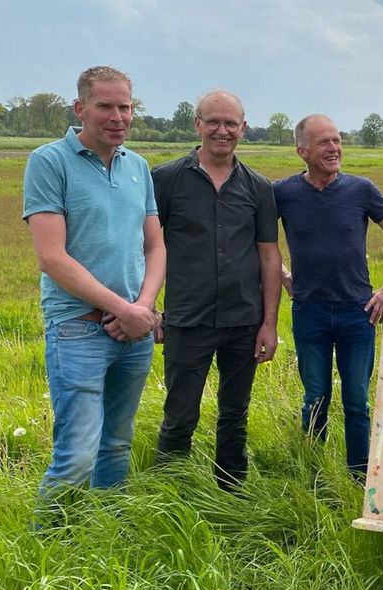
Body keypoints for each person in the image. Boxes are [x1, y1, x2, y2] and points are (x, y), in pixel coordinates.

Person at [22, 66, 164, 508]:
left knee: (116, 447)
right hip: (78, 331)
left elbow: (156, 246)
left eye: (125, 106)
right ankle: (49, 554)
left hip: (134, 332)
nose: (117, 116)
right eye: (105, 106)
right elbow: (52, 257)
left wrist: (143, 308)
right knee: (76, 457)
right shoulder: (49, 161)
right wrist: (125, 309)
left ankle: (103, 541)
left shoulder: (138, 166)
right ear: (80, 108)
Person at [150, 90, 282, 492]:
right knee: (180, 413)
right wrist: (150, 307)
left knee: (234, 415)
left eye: (230, 124)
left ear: (243, 128)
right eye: (213, 122)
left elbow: (269, 256)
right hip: (187, 318)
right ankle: (167, 498)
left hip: (243, 320)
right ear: (197, 125)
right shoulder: (166, 179)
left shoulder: (259, 187)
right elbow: (148, 248)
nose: (222, 131)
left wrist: (269, 324)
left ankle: (231, 494)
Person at [273, 114, 383, 477]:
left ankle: (359, 477)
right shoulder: (283, 193)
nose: (334, 148)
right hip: (308, 311)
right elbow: (259, 242)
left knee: (357, 401)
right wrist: (283, 275)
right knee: (315, 397)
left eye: (337, 140)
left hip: (357, 312)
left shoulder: (362, 190)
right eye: (324, 142)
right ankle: (311, 475)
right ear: (302, 151)